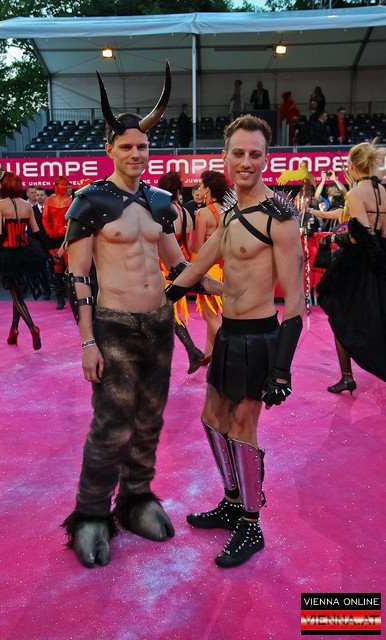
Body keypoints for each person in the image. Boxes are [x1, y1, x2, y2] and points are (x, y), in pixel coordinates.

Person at [61, 62, 220, 568]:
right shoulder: (89, 201)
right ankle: (91, 514)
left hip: (159, 325)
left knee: (149, 419)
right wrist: (87, 342)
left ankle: (135, 499)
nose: (136, 153)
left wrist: (230, 286)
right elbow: (77, 277)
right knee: (112, 425)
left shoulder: (159, 201)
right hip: (112, 326)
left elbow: (178, 267)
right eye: (127, 146)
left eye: (143, 147)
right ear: (110, 149)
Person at [166, 114, 304, 568]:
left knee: (243, 428)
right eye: (238, 153)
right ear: (225, 156)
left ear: (266, 158)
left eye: (255, 154)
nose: (246, 162)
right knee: (212, 419)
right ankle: (231, 501)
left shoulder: (280, 217)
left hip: (260, 338)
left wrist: (281, 370)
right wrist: (167, 297)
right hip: (228, 334)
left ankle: (251, 522)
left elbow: (296, 302)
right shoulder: (227, 210)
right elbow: (199, 264)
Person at [317, 140, 386, 392]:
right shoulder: (384, 192)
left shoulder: (355, 193)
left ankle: (347, 377)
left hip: (355, 265)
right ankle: (347, 376)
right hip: (379, 263)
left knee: (338, 313)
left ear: (353, 166)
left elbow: (359, 236)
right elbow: (382, 235)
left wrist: (331, 240)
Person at [0, 168, 46, 350]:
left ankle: (32, 327)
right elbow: (37, 232)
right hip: (26, 252)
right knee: (17, 295)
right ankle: (13, 331)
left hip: (8, 254)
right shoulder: (27, 205)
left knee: (16, 295)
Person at [158, 171, 205, 374]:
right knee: (169, 313)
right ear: (178, 190)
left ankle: (192, 350)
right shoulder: (186, 213)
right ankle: (193, 351)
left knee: (166, 313)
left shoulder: (160, 211)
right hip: (180, 270)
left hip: (161, 269)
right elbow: (192, 245)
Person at [193, 170, 229, 360]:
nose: (199, 189)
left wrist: (192, 272)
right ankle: (209, 352)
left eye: (201, 186)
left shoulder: (203, 213)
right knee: (216, 313)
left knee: (209, 315)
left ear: (207, 189)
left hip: (210, 270)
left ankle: (230, 349)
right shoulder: (228, 211)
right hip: (227, 268)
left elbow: (199, 249)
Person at [42, 176, 72, 309]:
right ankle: (60, 298)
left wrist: (63, 229)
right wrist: (49, 231)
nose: (65, 187)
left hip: (66, 237)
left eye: (66, 185)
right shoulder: (49, 200)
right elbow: (44, 218)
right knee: (56, 268)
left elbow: (72, 219)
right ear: (56, 186)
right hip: (52, 238)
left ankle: (72, 297)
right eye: (63, 185)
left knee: (70, 267)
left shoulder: (70, 201)